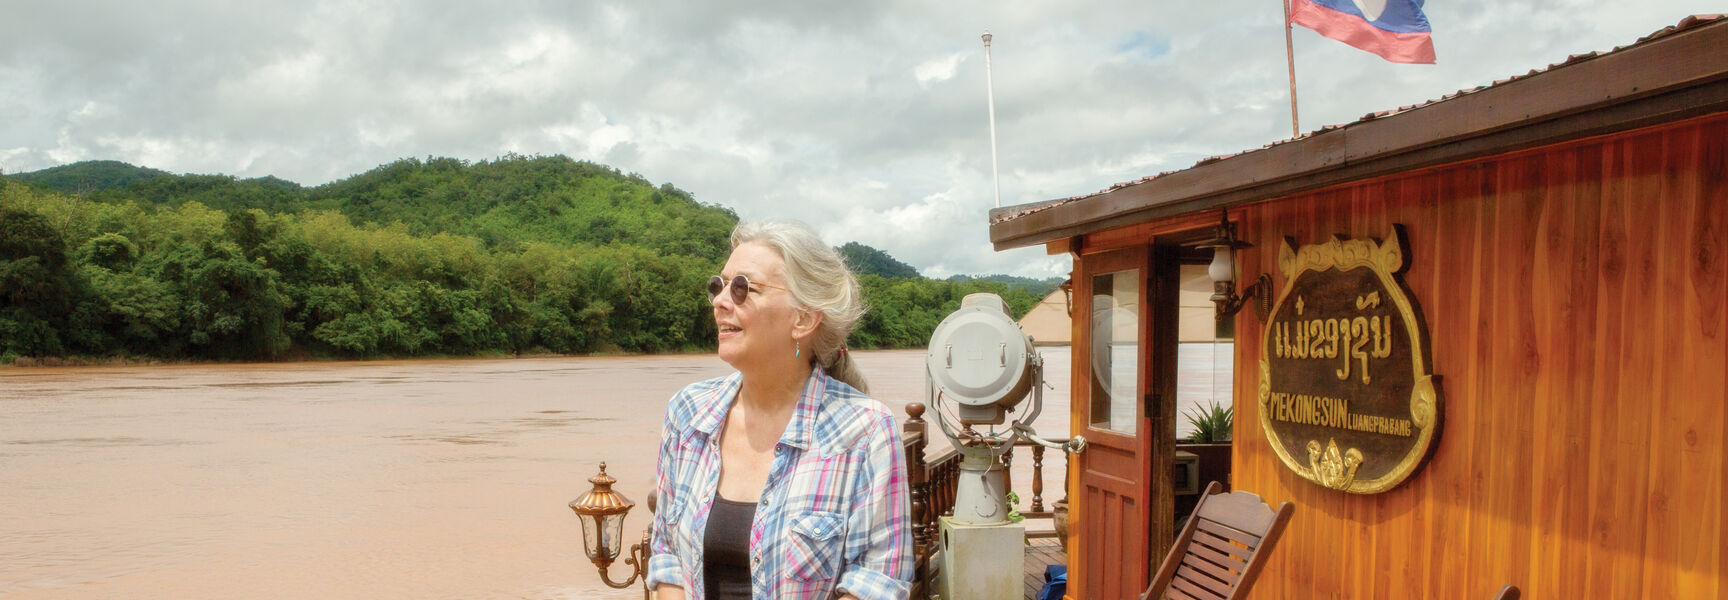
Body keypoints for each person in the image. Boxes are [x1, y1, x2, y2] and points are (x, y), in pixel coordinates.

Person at [646, 220, 912, 600]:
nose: (721, 301)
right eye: (718, 286)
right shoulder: (688, 414)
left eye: (742, 288)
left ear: (802, 318)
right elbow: (667, 556)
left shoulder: (864, 430)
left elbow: (875, 583)